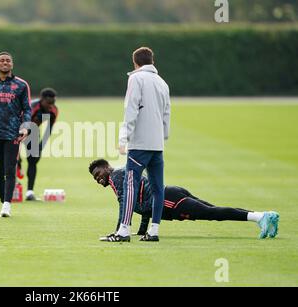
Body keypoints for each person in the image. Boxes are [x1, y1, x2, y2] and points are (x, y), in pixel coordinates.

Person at [89, 159, 280, 241]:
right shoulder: (124, 173)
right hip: (171, 193)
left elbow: (126, 204)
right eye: (95, 178)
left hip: (169, 201)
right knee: (215, 210)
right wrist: (141, 231)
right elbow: (141, 202)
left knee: (213, 213)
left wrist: (120, 231)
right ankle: (263, 217)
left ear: (107, 167)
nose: (98, 179)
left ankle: (260, 217)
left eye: (99, 173)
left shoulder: (115, 178)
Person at [116, 46, 171, 242]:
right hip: (157, 145)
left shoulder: (135, 78)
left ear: (135, 62)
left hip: (139, 144)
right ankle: (154, 231)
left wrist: (123, 138)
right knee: (158, 188)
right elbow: (166, 113)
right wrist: (162, 136)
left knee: (130, 184)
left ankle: (123, 230)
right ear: (152, 61)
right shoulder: (162, 82)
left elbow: (130, 109)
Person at [0, 51, 31, 217]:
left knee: (10, 169)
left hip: (13, 134)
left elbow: (27, 109)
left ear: (12, 64)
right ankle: (4, 201)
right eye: (2, 61)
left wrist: (25, 128)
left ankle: (7, 205)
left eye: (8, 61)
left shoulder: (22, 85)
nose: (5, 63)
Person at [17, 88, 59, 201]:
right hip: (18, 128)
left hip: (34, 132)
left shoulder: (53, 111)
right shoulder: (32, 107)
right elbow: (19, 122)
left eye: (53, 103)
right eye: (48, 103)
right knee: (14, 159)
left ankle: (29, 192)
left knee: (33, 160)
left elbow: (48, 130)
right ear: (42, 100)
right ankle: (17, 165)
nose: (51, 106)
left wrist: (41, 146)